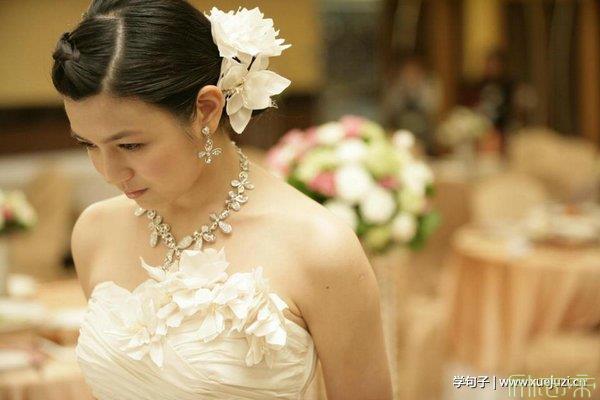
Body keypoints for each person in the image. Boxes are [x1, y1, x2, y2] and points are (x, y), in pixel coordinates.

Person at [51, 1, 392, 399]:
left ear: (207, 110)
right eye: (88, 144)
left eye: (130, 145)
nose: (109, 172)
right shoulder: (95, 232)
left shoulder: (318, 246)